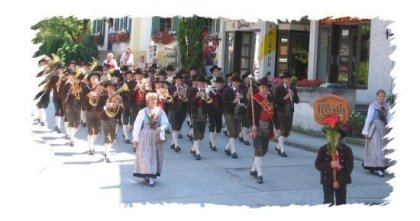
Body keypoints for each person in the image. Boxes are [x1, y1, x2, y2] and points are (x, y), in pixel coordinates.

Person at [132, 93, 169, 187]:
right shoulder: (143, 111)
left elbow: (165, 123)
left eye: (155, 99)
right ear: (148, 101)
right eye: (152, 99)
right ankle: (148, 175)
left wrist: (161, 128)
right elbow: (137, 125)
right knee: (146, 156)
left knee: (154, 156)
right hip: (145, 135)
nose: (154, 101)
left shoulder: (160, 111)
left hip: (156, 135)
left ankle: (151, 176)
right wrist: (135, 139)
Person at [247, 77, 280, 184]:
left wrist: (278, 127)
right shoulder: (254, 98)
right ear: (259, 87)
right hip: (257, 127)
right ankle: (260, 174)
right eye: (262, 87)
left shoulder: (271, 99)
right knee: (258, 149)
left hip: (268, 128)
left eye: (266, 87)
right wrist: (251, 125)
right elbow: (248, 114)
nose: (264, 89)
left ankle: (253, 169)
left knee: (263, 151)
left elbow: (275, 115)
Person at [315, 129, 354, 206]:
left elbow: (349, 168)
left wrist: (339, 181)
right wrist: (329, 165)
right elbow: (317, 164)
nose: (328, 136)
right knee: (328, 202)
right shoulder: (323, 149)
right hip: (327, 179)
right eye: (327, 134)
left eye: (331, 134)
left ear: (338, 136)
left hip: (341, 180)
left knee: (341, 201)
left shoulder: (346, 149)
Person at [361, 89, 391, 177]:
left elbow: (389, 118)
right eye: (380, 96)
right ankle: (379, 168)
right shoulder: (373, 106)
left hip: (384, 130)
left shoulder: (387, 106)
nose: (382, 98)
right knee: (376, 149)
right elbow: (368, 119)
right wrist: (365, 130)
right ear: (377, 96)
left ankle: (377, 166)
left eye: (383, 96)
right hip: (374, 129)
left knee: (383, 149)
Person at [96, 80, 124, 163]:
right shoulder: (103, 97)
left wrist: (117, 105)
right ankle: (107, 156)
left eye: (113, 87)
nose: (111, 89)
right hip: (104, 118)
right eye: (109, 87)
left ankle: (105, 151)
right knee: (107, 137)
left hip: (114, 119)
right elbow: (97, 108)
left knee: (112, 139)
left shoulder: (118, 97)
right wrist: (106, 107)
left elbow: (122, 109)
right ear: (106, 88)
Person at [274, 71, 299, 157]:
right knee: (281, 129)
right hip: (281, 111)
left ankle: (278, 146)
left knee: (287, 131)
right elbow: (276, 101)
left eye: (289, 79)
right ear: (283, 80)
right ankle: (282, 150)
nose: (288, 80)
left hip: (290, 111)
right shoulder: (279, 88)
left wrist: (293, 95)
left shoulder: (293, 88)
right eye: (286, 79)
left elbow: (297, 101)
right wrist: (285, 97)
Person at [188, 75, 209, 160]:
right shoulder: (192, 90)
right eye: (199, 82)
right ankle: (197, 152)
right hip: (195, 112)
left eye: (202, 83)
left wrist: (206, 96)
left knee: (202, 135)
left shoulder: (206, 91)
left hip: (203, 112)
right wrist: (196, 96)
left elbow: (208, 102)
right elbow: (189, 101)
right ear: (197, 83)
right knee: (196, 132)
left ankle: (193, 148)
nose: (200, 84)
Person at [82, 70, 104, 155]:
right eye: (92, 78)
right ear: (90, 79)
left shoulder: (101, 88)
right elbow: (82, 100)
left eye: (96, 77)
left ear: (98, 79)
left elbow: (105, 99)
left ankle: (92, 143)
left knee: (97, 130)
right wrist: (88, 96)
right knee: (90, 130)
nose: (94, 79)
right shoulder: (86, 88)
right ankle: (90, 147)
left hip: (98, 111)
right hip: (89, 110)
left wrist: (99, 96)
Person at [222, 74, 243, 159]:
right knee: (232, 132)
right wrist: (233, 101)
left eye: (238, 82)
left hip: (238, 113)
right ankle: (233, 151)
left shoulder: (240, 90)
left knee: (237, 133)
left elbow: (245, 101)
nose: (236, 83)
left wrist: (242, 98)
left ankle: (227, 148)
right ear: (232, 82)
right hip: (229, 113)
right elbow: (223, 102)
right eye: (235, 82)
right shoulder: (227, 90)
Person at [168, 71, 188, 152]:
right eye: (177, 80)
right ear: (175, 81)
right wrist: (174, 95)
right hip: (173, 108)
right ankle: (176, 145)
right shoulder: (171, 88)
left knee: (178, 127)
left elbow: (187, 99)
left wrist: (184, 94)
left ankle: (172, 143)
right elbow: (167, 99)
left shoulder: (186, 88)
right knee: (175, 126)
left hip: (182, 109)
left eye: (180, 80)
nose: (179, 81)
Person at [207, 76, 225, 151]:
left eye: (220, 83)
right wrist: (208, 92)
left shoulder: (223, 91)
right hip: (211, 110)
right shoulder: (212, 90)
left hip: (219, 111)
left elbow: (223, 99)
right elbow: (207, 98)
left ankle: (211, 140)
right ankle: (213, 143)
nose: (219, 84)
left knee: (218, 129)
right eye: (217, 83)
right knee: (212, 127)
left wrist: (217, 93)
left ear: (222, 84)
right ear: (215, 84)